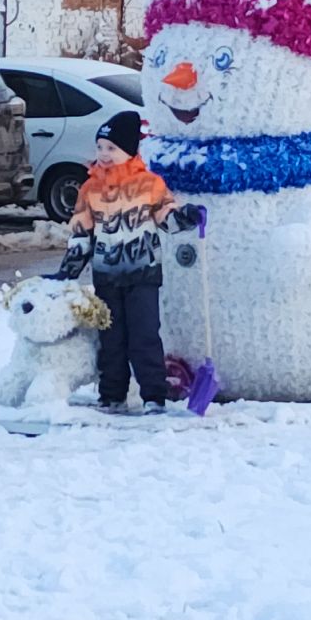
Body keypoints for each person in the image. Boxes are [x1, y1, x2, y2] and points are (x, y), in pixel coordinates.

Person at [52, 110, 201, 414]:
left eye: (111, 148)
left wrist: (185, 218)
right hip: (106, 275)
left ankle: (153, 396)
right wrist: (69, 269)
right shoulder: (90, 189)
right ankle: (112, 395)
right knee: (111, 338)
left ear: (129, 151)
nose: (104, 155)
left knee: (144, 335)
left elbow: (166, 217)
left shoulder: (149, 185)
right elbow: (82, 231)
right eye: (100, 147)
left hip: (143, 273)